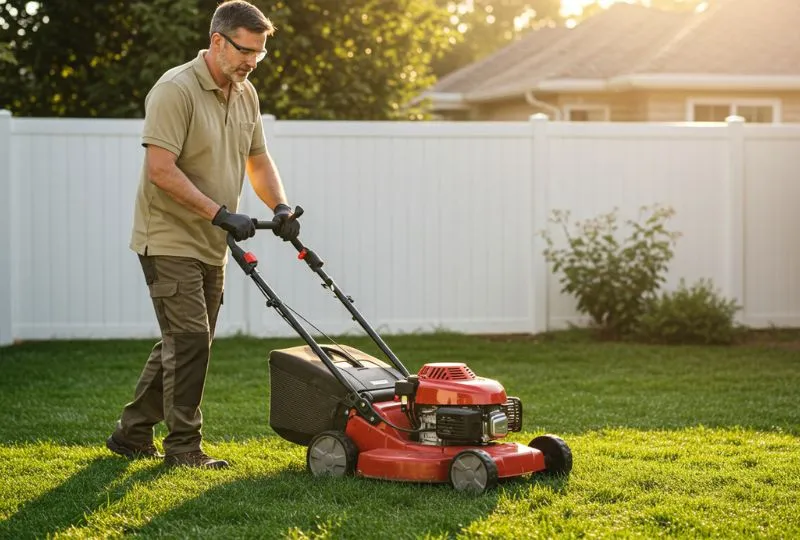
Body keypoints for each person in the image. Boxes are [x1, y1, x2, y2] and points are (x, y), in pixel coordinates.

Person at [106, 0, 299, 469]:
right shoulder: (176, 89)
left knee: (188, 340)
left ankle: (131, 433)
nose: (252, 61)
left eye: (260, 53)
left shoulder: (244, 92)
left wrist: (279, 205)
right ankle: (184, 449)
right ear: (218, 41)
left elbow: (257, 159)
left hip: (212, 240)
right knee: (190, 339)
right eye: (245, 50)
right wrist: (220, 213)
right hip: (168, 236)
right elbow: (160, 170)